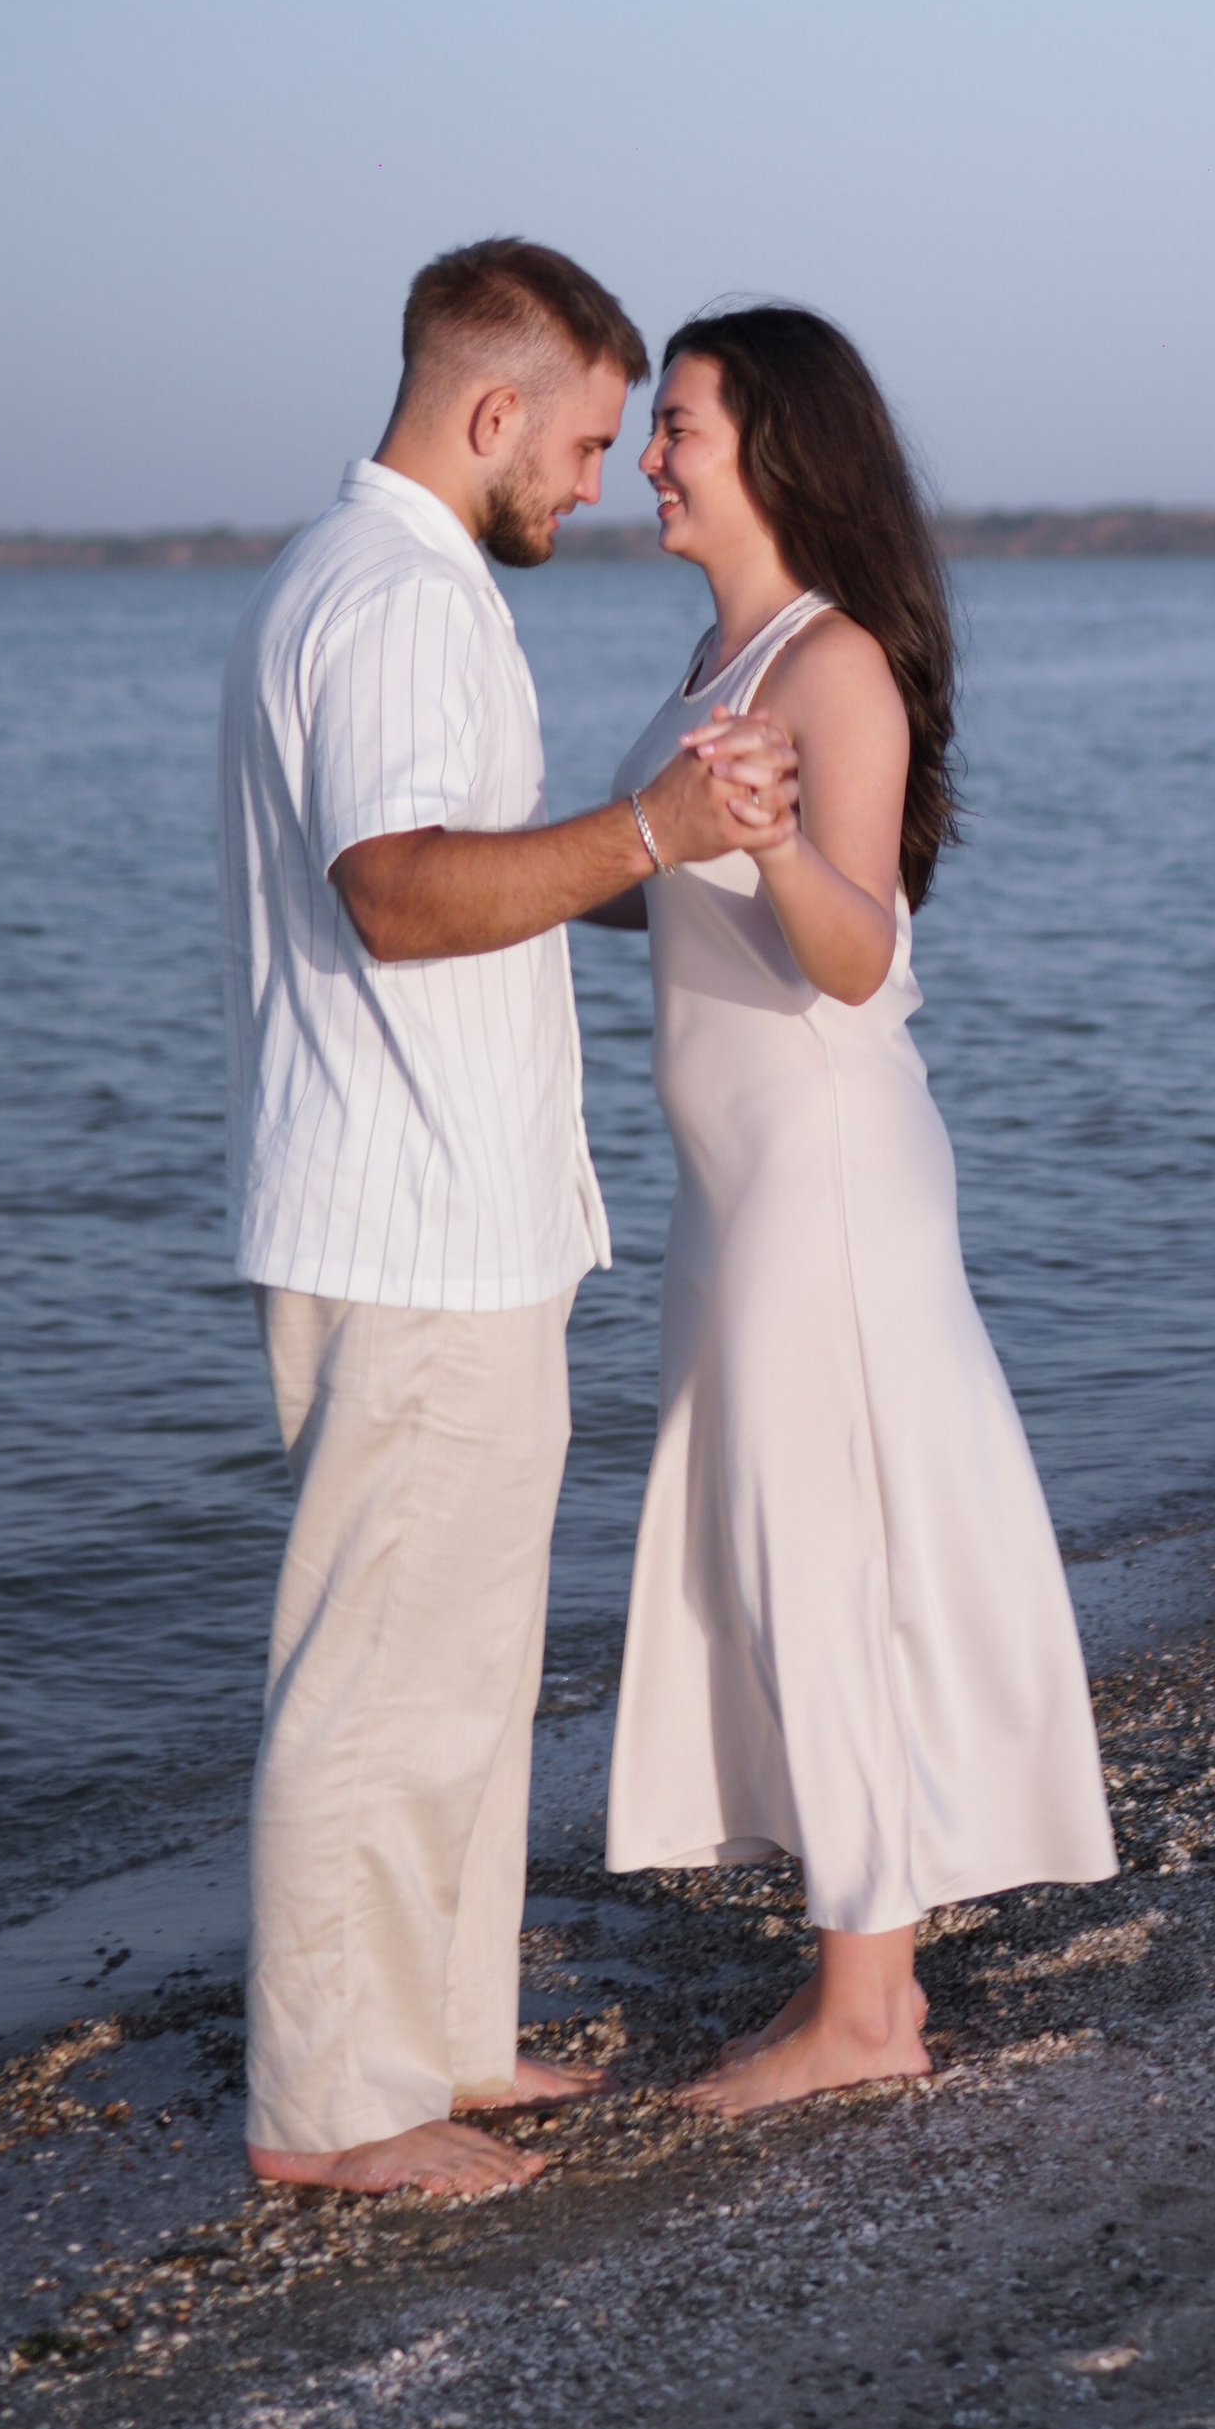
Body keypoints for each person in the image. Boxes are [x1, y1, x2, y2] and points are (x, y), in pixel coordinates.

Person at [220, 236, 795, 2202]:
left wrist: (679, 870)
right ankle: (331, 2107)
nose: (588, 482)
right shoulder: (383, 595)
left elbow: (482, 871)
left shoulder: (412, 584)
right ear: (487, 416)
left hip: (457, 1210)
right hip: (400, 1218)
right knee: (382, 1673)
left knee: (459, 1663)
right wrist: (649, 832)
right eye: (575, 441)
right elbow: (397, 890)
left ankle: (438, 2041)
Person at [595, 304, 1116, 2113]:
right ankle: (860, 1977)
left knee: (838, 1548)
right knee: (782, 1539)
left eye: (683, 429)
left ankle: (866, 2013)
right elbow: (668, 887)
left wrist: (766, 845)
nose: (651, 459)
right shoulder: (713, 652)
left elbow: (854, 946)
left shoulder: (834, 668)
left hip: (822, 1172)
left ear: (778, 451)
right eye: (657, 431)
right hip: (739, 1185)